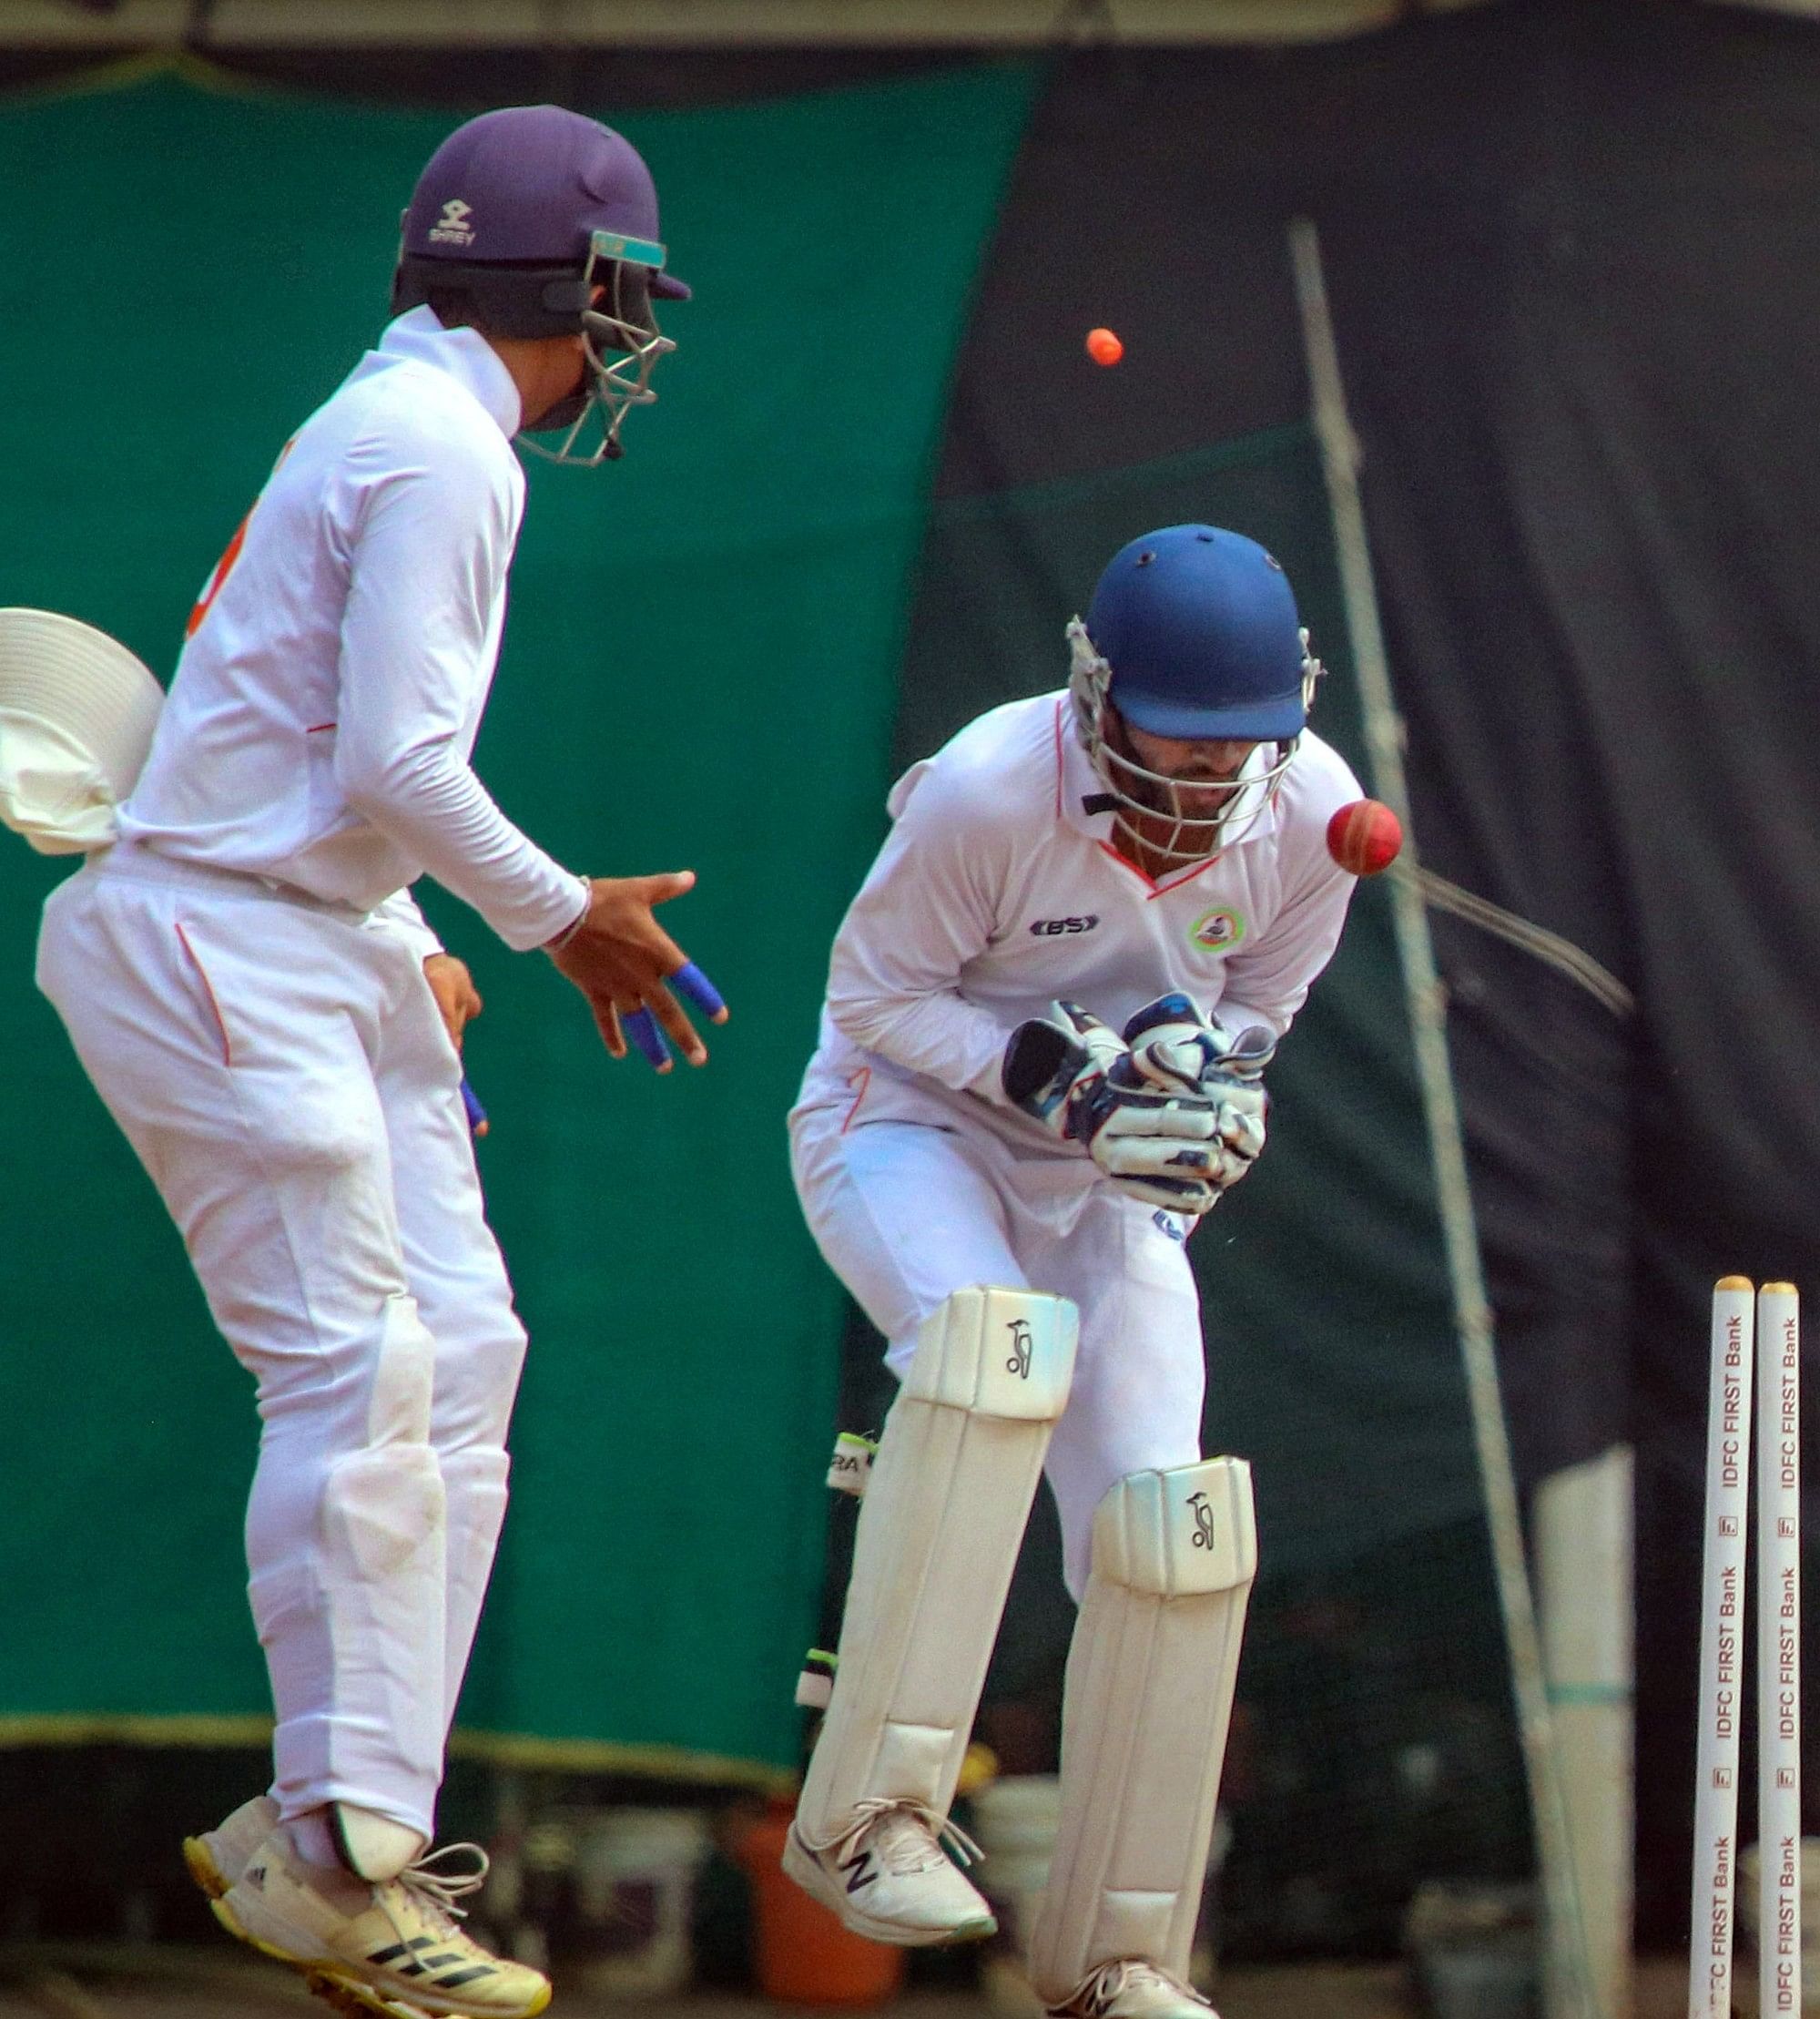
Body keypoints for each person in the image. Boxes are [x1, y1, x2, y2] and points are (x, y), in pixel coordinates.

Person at [25, 106, 712, 2019]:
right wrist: (555, 908)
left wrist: (408, 932)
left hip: (310, 925)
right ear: (569, 292)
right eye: (619, 304)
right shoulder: (439, 447)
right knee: (359, 1362)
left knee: (467, 1351)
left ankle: (340, 1840)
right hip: (214, 933)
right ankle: (336, 1849)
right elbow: (396, 763)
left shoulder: (394, 416)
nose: (624, 345)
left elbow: (299, 722)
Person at [781, 524, 1363, 2019]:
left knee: (1163, 1511)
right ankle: (867, 1819)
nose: (1193, 787)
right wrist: (1054, 1080)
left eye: (1230, 751)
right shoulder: (989, 789)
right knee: (994, 1356)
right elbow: (874, 997)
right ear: (1095, 695)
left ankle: (1123, 1951)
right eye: (1166, 744)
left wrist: (1209, 1105)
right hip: (905, 1128)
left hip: (1095, 1176)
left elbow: (1258, 1013)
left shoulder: (1315, 814)